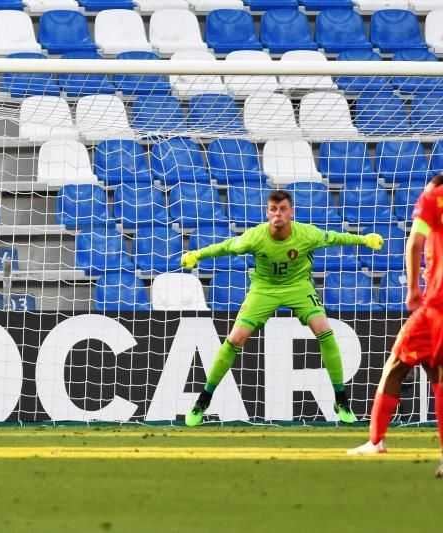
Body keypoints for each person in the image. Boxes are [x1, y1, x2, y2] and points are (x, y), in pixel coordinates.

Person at [180, 190, 385, 427]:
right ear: (267, 213)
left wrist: (363, 240)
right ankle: (203, 401)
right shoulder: (255, 236)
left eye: (283, 209)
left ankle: (341, 401)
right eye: (273, 209)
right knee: (235, 339)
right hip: (264, 289)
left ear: (291, 212)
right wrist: (197, 254)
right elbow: (226, 247)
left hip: (298, 287)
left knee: (324, 330)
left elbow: (336, 238)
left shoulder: (307, 234)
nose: (278, 213)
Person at [348, 176, 443, 478]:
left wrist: (413, 288)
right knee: (436, 373)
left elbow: (414, 242)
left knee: (396, 365)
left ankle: (376, 441)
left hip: (435, 306)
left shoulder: (433, 199)